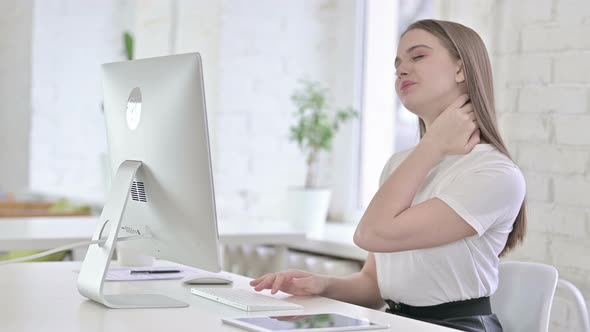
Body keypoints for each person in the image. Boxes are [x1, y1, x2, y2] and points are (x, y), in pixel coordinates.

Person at [250, 19, 526, 332]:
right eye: (397, 63)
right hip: (393, 322)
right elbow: (372, 285)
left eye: (418, 56)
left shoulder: (494, 174)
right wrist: (320, 285)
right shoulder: (401, 165)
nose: (401, 70)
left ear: (461, 69)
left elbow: (371, 234)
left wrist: (432, 143)